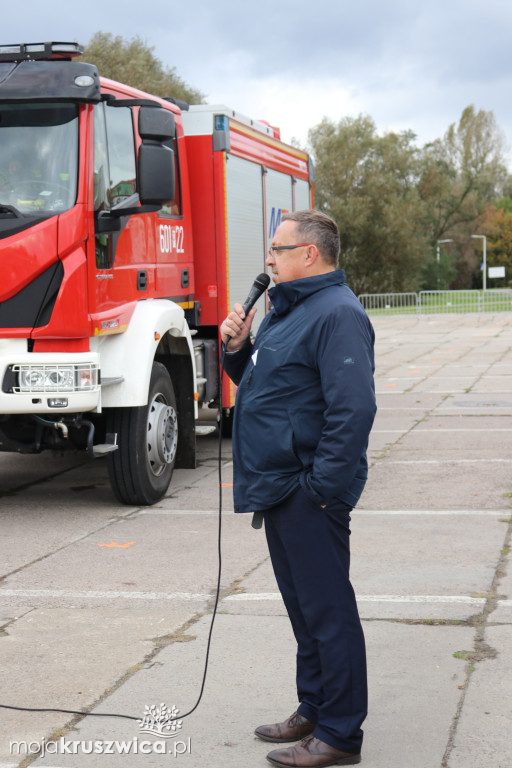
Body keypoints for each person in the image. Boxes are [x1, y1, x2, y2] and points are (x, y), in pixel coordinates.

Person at [220, 209, 376, 768]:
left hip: (308, 491)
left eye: (277, 249)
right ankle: (313, 706)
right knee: (304, 610)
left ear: (309, 254)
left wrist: (322, 487)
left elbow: (354, 408)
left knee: (329, 612)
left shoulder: (337, 314)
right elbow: (268, 388)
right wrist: (236, 349)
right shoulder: (289, 312)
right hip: (280, 487)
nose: (269, 259)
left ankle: (339, 734)